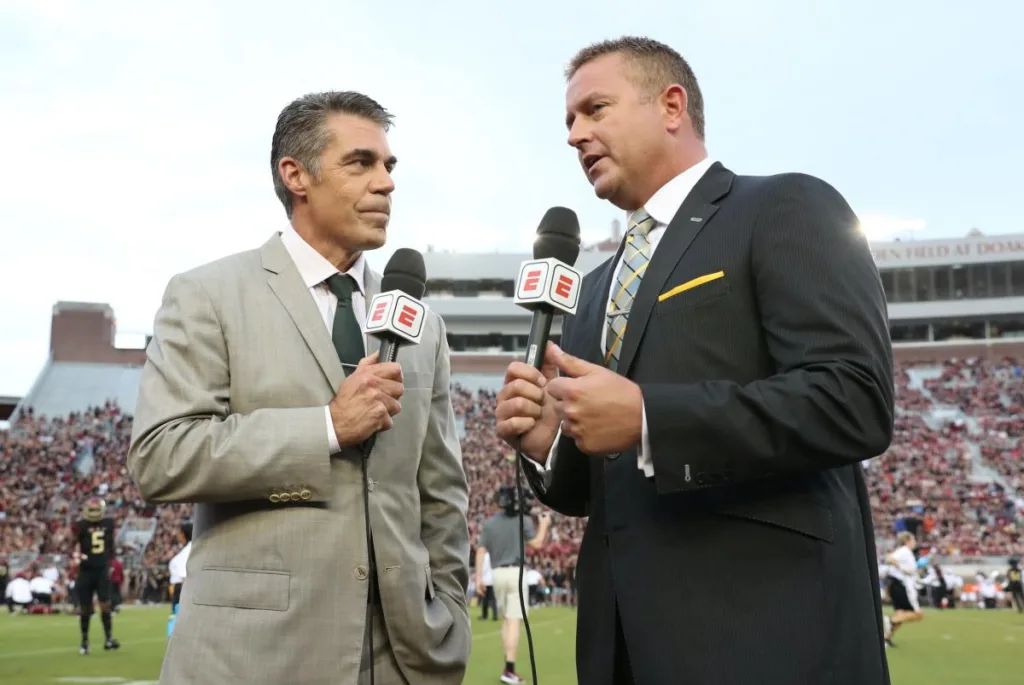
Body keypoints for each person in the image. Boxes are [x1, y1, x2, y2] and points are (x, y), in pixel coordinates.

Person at [495, 36, 894, 685]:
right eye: (569, 120)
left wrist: (651, 417)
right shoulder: (593, 290)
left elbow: (855, 398)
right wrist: (549, 445)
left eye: (595, 109)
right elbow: (597, 486)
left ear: (671, 105)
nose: (575, 134)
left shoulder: (782, 207)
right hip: (620, 648)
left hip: (767, 639)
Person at [127, 90, 471, 685]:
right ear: (296, 175)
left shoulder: (425, 325)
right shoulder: (208, 294)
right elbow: (160, 456)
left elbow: (440, 493)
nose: (386, 182)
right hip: (252, 659)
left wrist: (451, 611)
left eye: (390, 166)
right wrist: (326, 429)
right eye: (361, 163)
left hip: (402, 658)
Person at [474, 485, 551, 684]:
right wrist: (544, 525)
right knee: (515, 620)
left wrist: (478, 578)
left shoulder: (490, 524)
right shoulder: (522, 520)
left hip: (497, 574)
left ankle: (507, 666)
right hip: (516, 572)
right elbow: (536, 544)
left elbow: (481, 550)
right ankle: (509, 669)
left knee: (506, 621)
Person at [72, 496, 120, 654]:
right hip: (86, 570)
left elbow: (111, 545)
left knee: (105, 605)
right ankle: (85, 641)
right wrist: (76, 557)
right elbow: (74, 545)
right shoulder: (81, 525)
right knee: (85, 608)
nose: (93, 512)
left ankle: (108, 638)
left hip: (101, 569)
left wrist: (111, 562)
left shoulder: (108, 523)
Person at [166, 521, 192, 638]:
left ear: (184, 534)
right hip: (179, 589)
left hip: (181, 589)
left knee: (176, 621)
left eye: (179, 532)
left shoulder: (187, 551)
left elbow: (184, 576)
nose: (177, 535)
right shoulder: (189, 548)